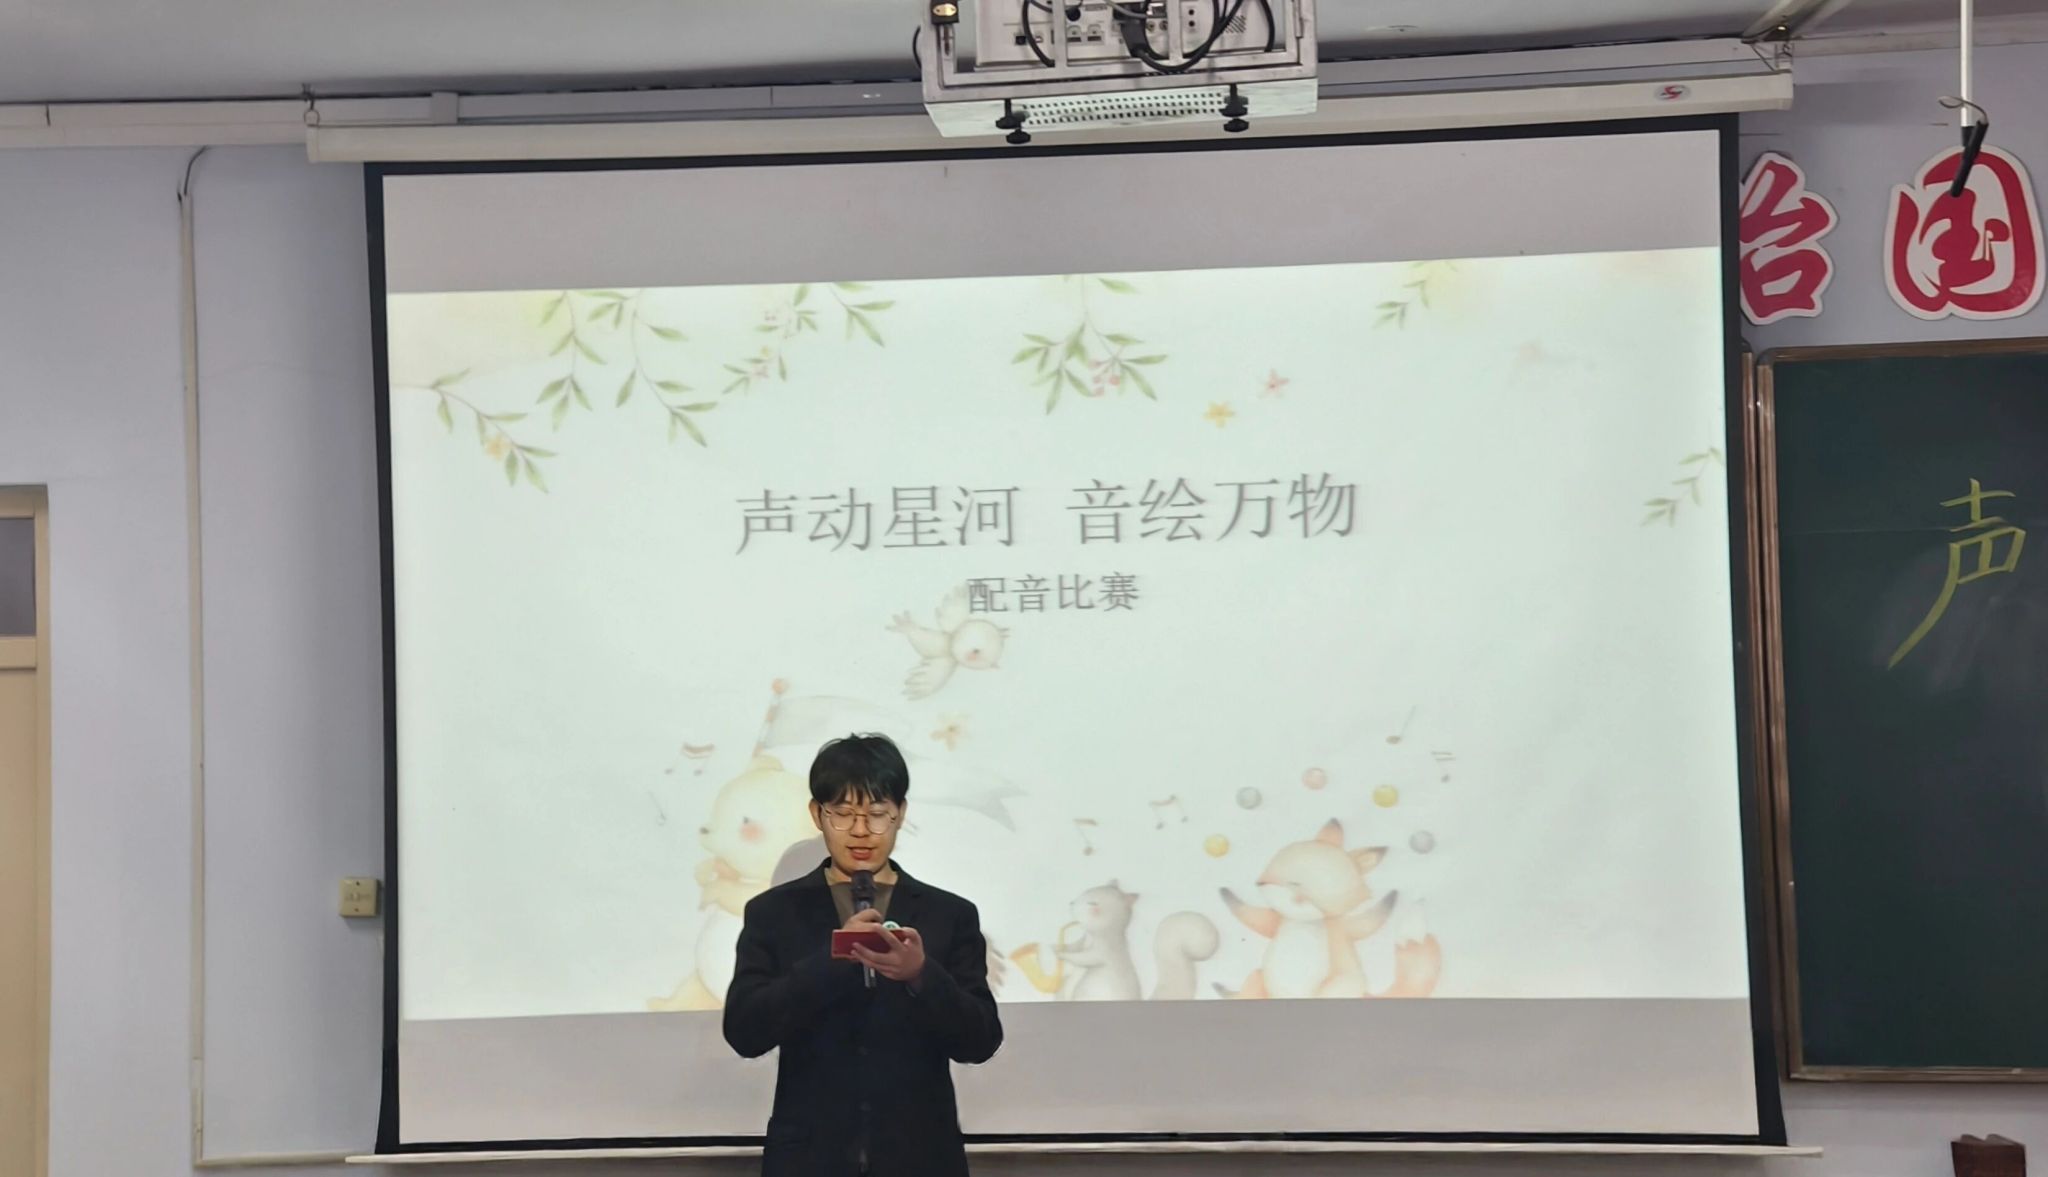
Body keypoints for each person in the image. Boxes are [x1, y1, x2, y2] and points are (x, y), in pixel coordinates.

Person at [724, 733, 1003, 1177]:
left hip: (921, 1158)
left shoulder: (949, 915)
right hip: (810, 1160)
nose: (860, 831)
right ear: (817, 814)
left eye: (876, 814)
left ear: (901, 813)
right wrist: (830, 962)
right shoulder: (773, 913)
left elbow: (981, 1040)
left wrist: (922, 976)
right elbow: (744, 1031)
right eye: (843, 814)